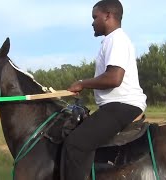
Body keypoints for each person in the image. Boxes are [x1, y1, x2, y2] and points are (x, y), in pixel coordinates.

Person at [60, 0, 147, 179]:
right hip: (117, 106)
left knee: (75, 144)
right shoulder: (111, 40)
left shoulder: (116, 39)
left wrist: (82, 83)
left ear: (108, 16)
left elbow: (114, 77)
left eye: (95, 17)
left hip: (122, 105)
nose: (92, 22)